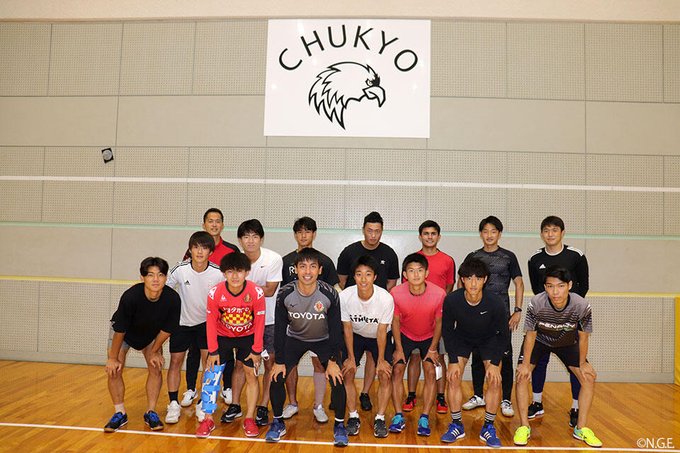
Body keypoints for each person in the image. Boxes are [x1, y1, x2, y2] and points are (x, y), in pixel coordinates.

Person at [265, 248, 349, 446]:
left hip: (324, 340)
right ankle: (277, 423)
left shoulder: (330, 293)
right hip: (294, 339)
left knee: (337, 378)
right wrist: (279, 361)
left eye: (312, 266)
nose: (308, 271)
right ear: (295, 269)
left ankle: (339, 426)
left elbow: (336, 330)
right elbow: (280, 328)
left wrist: (333, 360)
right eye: (302, 266)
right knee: (276, 376)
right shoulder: (285, 293)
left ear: (320, 270)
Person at [513, 266, 601, 448]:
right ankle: (523, 426)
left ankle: (581, 428)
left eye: (560, 286)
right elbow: (530, 335)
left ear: (569, 285)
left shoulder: (581, 305)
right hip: (540, 341)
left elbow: (584, 336)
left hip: (567, 342)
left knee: (588, 378)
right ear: (545, 287)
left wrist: (582, 363)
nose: (555, 292)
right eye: (550, 286)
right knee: (521, 376)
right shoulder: (536, 303)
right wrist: (525, 364)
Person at [104, 257, 180, 433]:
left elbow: (167, 330)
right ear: (142, 277)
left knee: (155, 366)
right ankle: (120, 413)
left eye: (160, 275)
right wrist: (113, 358)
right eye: (150, 275)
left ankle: (151, 412)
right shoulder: (130, 297)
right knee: (114, 369)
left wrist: (154, 351)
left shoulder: (172, 299)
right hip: (124, 333)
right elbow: (120, 330)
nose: (155, 279)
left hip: (151, 334)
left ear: (166, 277)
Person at [195, 252, 266, 438]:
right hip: (223, 336)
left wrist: (257, 350)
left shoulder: (256, 292)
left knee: (251, 374)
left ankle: (249, 419)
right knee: (212, 374)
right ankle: (208, 419)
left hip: (248, 337)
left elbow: (260, 322)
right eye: (230, 272)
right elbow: (211, 323)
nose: (235, 276)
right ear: (224, 273)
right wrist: (213, 350)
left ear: (247, 272)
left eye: (239, 271)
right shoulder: (215, 292)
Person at [527, 215, 589, 427]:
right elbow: (537, 289)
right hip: (544, 319)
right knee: (539, 360)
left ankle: (576, 407)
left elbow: (583, 286)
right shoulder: (535, 259)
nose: (550, 234)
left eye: (554, 230)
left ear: (562, 233)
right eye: (546, 230)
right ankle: (536, 402)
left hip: (570, 320)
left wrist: (567, 311)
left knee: (575, 363)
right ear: (541, 234)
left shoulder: (576, 256)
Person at [440, 258, 508, 448]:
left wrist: (494, 363)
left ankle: (488, 426)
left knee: (495, 379)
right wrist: (453, 360)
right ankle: (456, 424)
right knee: (453, 377)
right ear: (462, 280)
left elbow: (504, 335)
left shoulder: (495, 302)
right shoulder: (452, 300)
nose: (473, 283)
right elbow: (447, 331)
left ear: (485, 280)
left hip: (489, 339)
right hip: (462, 338)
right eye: (469, 278)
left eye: (478, 278)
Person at [460, 216, 524, 418]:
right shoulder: (473, 256)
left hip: (501, 315)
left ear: (499, 234)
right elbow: (462, 282)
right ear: (481, 234)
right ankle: (478, 395)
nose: (489, 235)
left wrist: (517, 310)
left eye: (493, 231)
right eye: (485, 231)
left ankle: (506, 399)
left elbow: (519, 283)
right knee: (477, 355)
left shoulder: (508, 256)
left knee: (504, 356)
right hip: (476, 315)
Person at [337, 211, 400, 411]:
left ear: (382, 231)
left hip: (377, 318)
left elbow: (392, 282)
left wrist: (375, 300)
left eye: (377, 231)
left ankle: (365, 393)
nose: (373, 235)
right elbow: (342, 279)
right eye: (369, 230)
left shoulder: (389, 254)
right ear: (363, 230)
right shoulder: (349, 252)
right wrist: (359, 296)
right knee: (347, 367)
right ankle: (348, 406)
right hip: (355, 322)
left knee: (378, 363)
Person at [280, 216, 339, 423]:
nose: (303, 235)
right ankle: (292, 403)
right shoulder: (286, 261)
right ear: (295, 235)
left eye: (307, 231)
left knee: (319, 364)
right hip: (293, 324)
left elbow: (333, 293)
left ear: (314, 234)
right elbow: (282, 295)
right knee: (290, 365)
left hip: (319, 324)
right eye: (299, 232)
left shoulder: (325, 261)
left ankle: (318, 406)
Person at [224, 219, 282, 427]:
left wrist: (243, 287)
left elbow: (270, 290)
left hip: (270, 320)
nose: (250, 241)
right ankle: (235, 404)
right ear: (240, 240)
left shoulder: (273, 259)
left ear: (261, 239)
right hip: (242, 321)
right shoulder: (234, 261)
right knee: (241, 363)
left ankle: (263, 406)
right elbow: (229, 288)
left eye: (255, 236)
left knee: (269, 363)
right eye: (246, 236)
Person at [165, 232, 224, 425]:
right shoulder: (180, 270)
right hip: (182, 324)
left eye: (204, 248)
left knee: (208, 365)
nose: (200, 251)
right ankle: (173, 403)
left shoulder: (218, 273)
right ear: (190, 250)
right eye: (196, 247)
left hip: (207, 325)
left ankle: (202, 403)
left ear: (210, 252)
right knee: (175, 362)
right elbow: (165, 290)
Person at [182, 208, 239, 408]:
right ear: (204, 224)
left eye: (217, 221)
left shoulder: (231, 249)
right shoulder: (192, 250)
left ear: (222, 225)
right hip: (196, 315)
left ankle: (227, 387)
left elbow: (237, 278)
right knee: (194, 352)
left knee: (225, 352)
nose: (214, 224)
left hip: (223, 314)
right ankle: (191, 389)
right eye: (210, 221)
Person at [389, 253, 444, 437]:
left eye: (420, 270)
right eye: (411, 271)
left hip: (429, 336)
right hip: (405, 335)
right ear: (405, 275)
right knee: (397, 370)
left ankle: (425, 417)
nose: (416, 274)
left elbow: (439, 323)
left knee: (430, 371)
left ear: (426, 273)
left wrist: (433, 349)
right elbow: (395, 322)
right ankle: (398, 416)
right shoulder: (396, 293)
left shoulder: (439, 294)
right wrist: (398, 349)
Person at [403, 220, 455, 415]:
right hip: (415, 319)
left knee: (438, 357)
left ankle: (440, 397)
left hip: (438, 319)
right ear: (420, 236)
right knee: (415, 357)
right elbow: (405, 287)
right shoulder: (413, 260)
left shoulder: (448, 260)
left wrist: (438, 308)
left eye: (433, 233)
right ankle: (411, 395)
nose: (430, 237)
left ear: (438, 237)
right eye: (426, 233)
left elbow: (449, 286)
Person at [340, 255, 394, 438]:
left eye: (368, 274)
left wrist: (381, 360)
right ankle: (353, 416)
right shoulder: (345, 296)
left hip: (378, 335)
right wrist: (351, 358)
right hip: (355, 335)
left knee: (385, 374)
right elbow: (347, 328)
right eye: (359, 274)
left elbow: (382, 330)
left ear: (375, 277)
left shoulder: (385, 298)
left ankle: (380, 418)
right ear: (354, 276)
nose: (363, 279)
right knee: (347, 371)